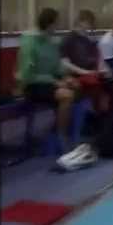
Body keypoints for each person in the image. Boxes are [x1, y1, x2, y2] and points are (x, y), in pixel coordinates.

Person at [16, 8, 77, 151]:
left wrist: (66, 77)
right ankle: (59, 136)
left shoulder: (51, 42)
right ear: (49, 24)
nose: (58, 27)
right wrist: (55, 81)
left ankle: (60, 129)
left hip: (48, 83)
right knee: (66, 95)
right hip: (32, 85)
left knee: (76, 87)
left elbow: (56, 66)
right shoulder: (29, 41)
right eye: (56, 24)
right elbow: (27, 75)